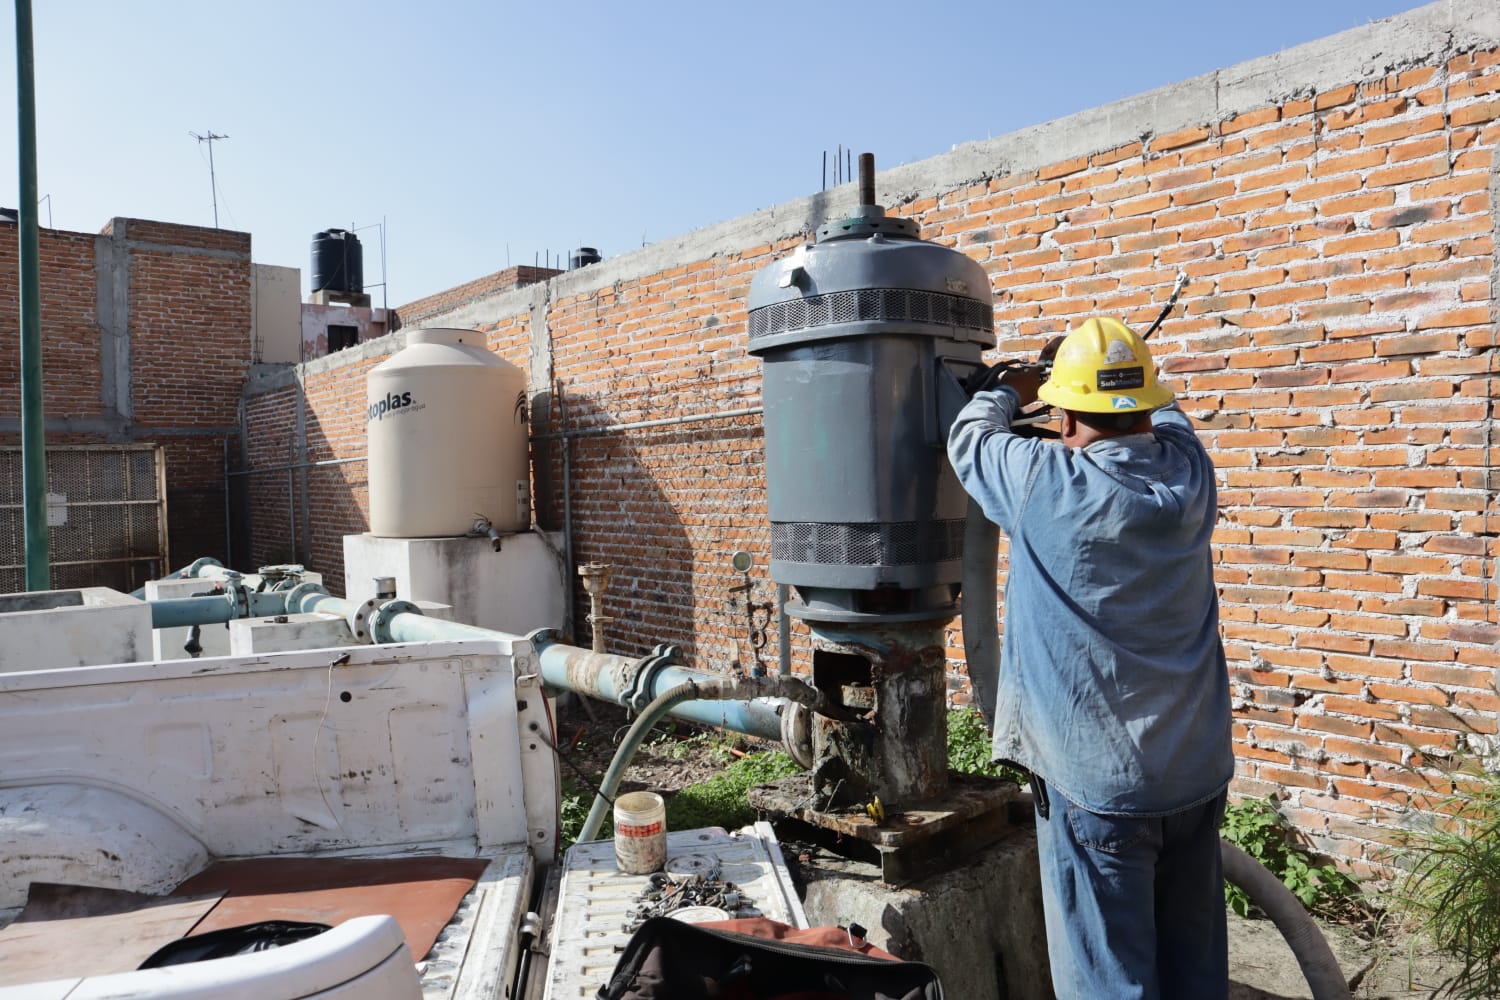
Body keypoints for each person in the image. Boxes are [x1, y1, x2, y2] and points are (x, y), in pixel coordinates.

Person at [946, 316, 1234, 1000]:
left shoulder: (1046, 483)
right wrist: (1116, 376)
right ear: (1141, 408)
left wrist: (1009, 389)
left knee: (1110, 977)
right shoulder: (1192, 473)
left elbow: (969, 439)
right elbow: (1166, 412)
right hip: (1195, 772)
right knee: (1195, 965)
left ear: (1067, 418)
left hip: (1100, 789)